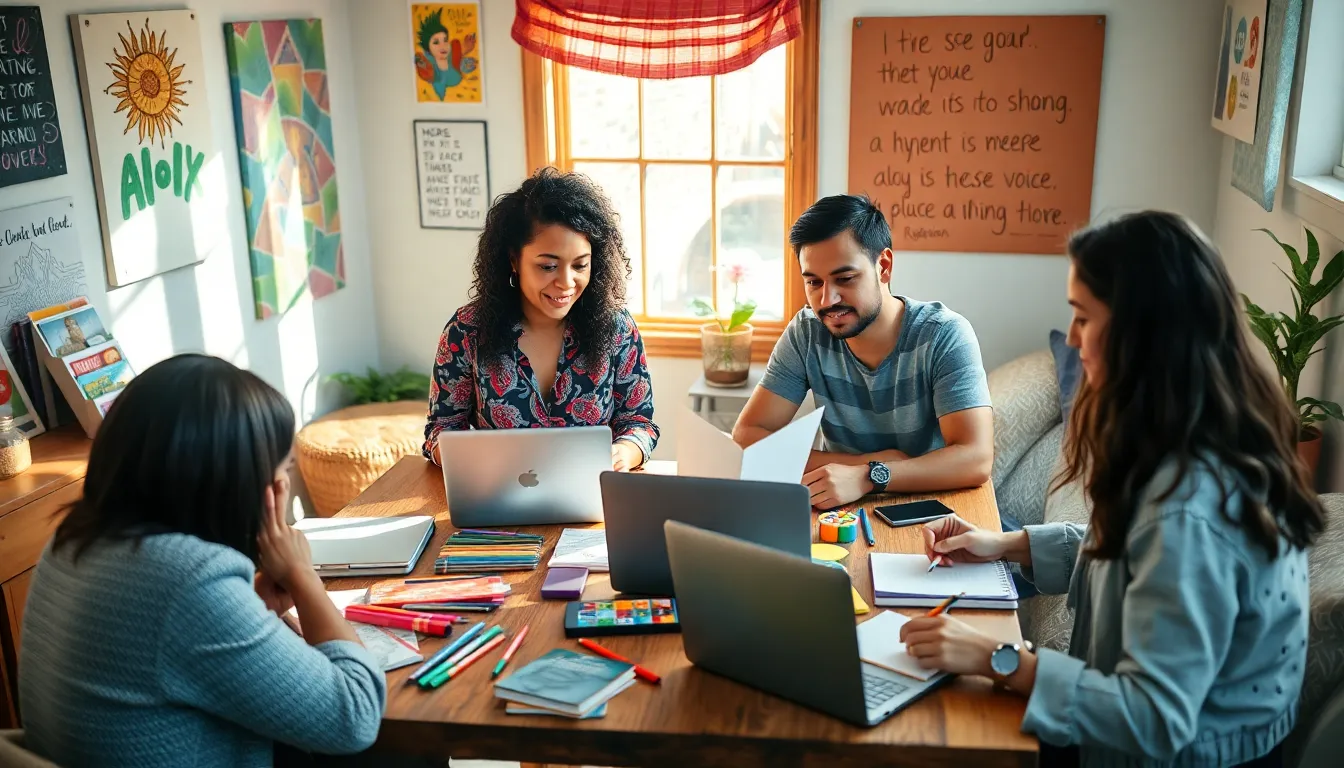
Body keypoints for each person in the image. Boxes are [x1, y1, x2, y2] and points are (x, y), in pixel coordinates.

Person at [898, 211, 1323, 767]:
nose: (1072, 339)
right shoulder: (1201, 433)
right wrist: (1007, 545)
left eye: (1082, 318)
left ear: (1141, 333)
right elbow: (1134, 552)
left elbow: (1155, 716)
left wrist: (1000, 658)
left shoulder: (1192, 508)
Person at [19, 355, 386, 767]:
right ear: (238, 482)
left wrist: (252, 604)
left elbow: (169, 650)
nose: (282, 484)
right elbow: (356, 716)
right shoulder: (187, 581)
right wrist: (303, 578)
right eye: (280, 470)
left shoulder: (71, 540)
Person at [732, 194, 993, 508]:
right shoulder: (807, 332)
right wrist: (870, 463)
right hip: (838, 504)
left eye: (844, 279)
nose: (827, 300)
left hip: (929, 505)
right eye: (814, 283)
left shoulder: (944, 335)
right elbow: (747, 437)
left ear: (883, 266)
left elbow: (975, 459)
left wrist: (870, 476)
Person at [422, 168, 658, 470]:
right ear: (513, 260)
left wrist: (626, 451)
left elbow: (638, 422)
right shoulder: (467, 330)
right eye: (548, 266)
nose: (566, 282)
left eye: (580, 265)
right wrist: (463, 462)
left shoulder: (617, 328)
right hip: (495, 497)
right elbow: (441, 427)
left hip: (592, 504)